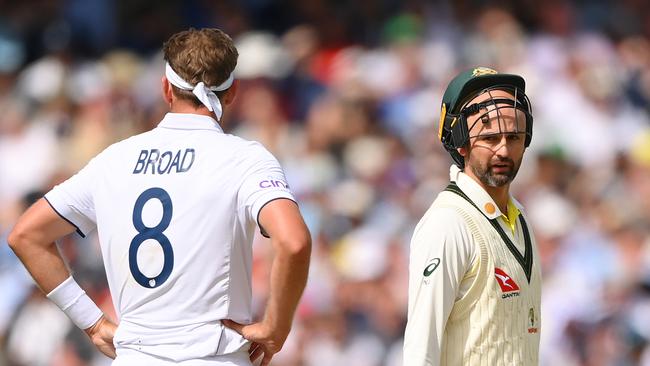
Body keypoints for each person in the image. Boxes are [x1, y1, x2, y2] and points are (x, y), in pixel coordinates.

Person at [8, 28, 311, 366]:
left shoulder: (114, 159)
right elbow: (294, 242)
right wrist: (276, 326)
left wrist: (92, 323)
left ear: (166, 88)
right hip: (214, 358)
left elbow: (26, 235)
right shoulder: (245, 158)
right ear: (233, 91)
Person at [403, 67, 541, 365]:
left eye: (514, 137)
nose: (504, 150)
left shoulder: (521, 219)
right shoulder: (448, 224)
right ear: (461, 143)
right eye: (490, 138)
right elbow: (419, 350)